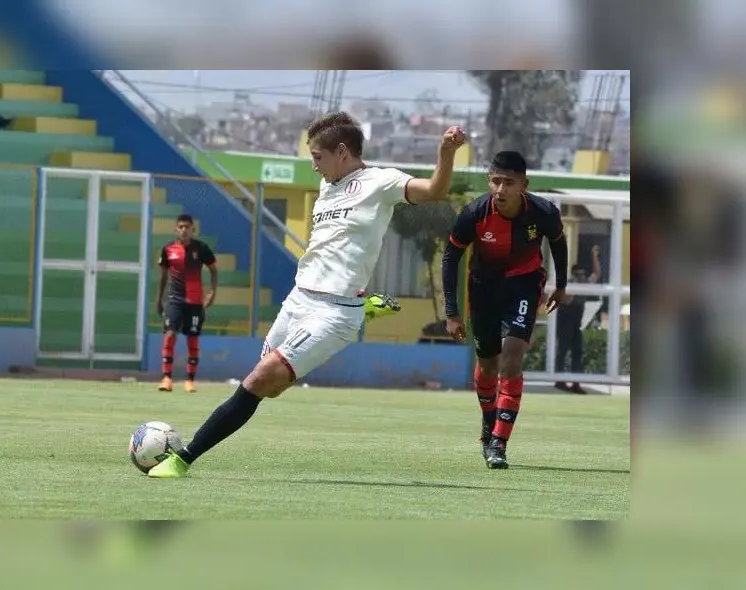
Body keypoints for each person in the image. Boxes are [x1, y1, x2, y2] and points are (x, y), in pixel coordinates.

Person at [147, 112, 467, 478]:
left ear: (342, 152)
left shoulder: (381, 182)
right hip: (298, 299)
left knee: (258, 380)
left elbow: (435, 190)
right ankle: (366, 308)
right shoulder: (328, 187)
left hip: (335, 312)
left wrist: (445, 152)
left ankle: (183, 458)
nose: (314, 165)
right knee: (270, 387)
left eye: (317, 156)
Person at [441, 151, 568, 469]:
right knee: (487, 366)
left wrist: (561, 285)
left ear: (524, 184)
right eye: (496, 181)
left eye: (509, 183)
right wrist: (452, 312)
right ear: (489, 181)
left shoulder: (543, 212)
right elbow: (451, 257)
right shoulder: (474, 213)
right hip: (483, 289)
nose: (501, 189)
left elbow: (558, 241)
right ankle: (489, 422)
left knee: (511, 359)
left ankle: (499, 443)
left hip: (524, 285)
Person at [156, 214, 218, 393]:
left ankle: (189, 380)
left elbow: (213, 270)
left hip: (195, 301)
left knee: (192, 339)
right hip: (174, 299)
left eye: (187, 227)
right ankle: (166, 378)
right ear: (176, 229)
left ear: (193, 229)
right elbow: (163, 276)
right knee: (169, 335)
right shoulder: (168, 249)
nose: (184, 230)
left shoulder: (201, 248)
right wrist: (159, 299)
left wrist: (212, 292)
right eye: (181, 227)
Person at [555, 245, 602, 394]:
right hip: (565, 320)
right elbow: (566, 301)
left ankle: (576, 383)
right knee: (562, 350)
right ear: (574, 274)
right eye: (578, 275)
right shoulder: (568, 283)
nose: (581, 277)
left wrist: (594, 255)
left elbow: (597, 274)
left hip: (576, 322)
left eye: (582, 275)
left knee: (577, 351)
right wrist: (573, 287)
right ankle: (559, 380)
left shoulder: (584, 283)